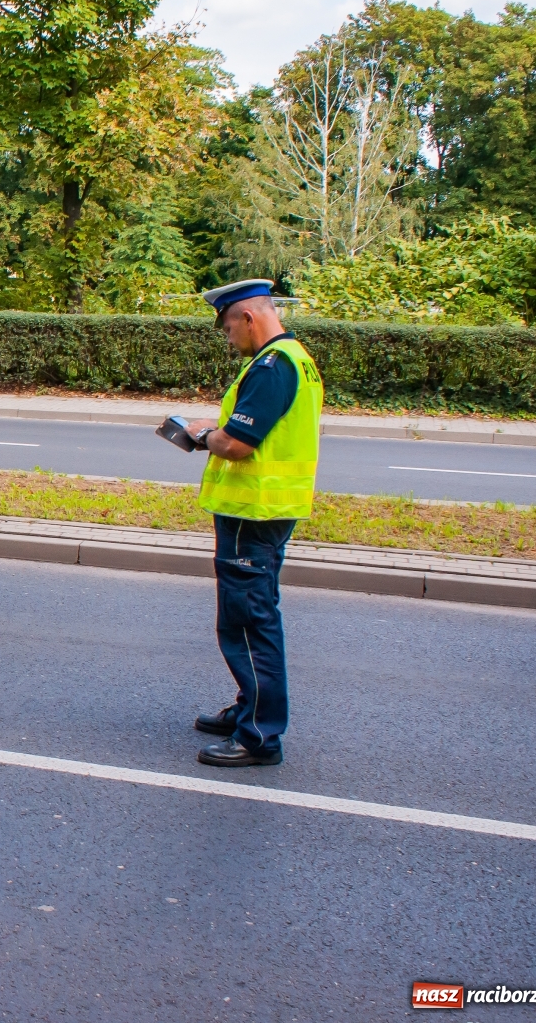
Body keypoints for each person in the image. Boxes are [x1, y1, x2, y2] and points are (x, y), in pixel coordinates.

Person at [180, 279, 323, 768]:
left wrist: (204, 436)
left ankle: (259, 735)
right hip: (266, 512)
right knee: (253, 614)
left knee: (247, 622)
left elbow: (239, 444)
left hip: (252, 514)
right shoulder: (297, 358)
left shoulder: (271, 366)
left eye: (227, 327)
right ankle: (250, 706)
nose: (227, 337)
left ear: (248, 317)